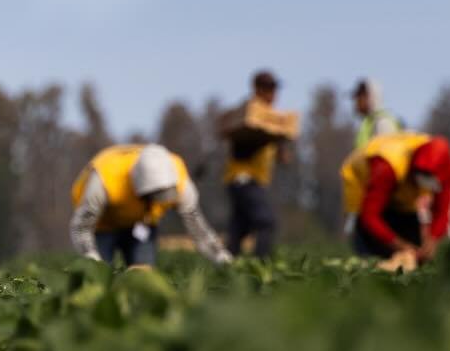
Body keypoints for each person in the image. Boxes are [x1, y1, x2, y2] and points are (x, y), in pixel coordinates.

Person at [70, 143, 231, 266]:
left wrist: (220, 255)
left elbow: (196, 225)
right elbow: (81, 227)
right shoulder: (105, 179)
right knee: (100, 275)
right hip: (103, 226)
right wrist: (90, 255)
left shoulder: (179, 180)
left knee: (144, 276)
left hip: (142, 224)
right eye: (153, 196)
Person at [342, 132, 450, 263]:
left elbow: (442, 211)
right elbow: (370, 216)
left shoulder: (444, 168)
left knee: (415, 251)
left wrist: (432, 241)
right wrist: (399, 245)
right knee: (371, 249)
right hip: (363, 179)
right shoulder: (386, 166)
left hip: (399, 183)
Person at [223, 69, 288, 260]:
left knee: (238, 231)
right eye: (269, 88)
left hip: (254, 181)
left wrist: (280, 144)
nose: (273, 93)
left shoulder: (271, 117)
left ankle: (224, 269)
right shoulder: (251, 112)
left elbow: (280, 155)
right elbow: (240, 147)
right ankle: (260, 267)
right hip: (244, 179)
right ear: (257, 89)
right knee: (266, 222)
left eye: (275, 88)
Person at [352, 79, 402, 150]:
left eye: (359, 98)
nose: (356, 103)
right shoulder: (369, 123)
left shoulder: (382, 122)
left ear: (370, 97)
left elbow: (385, 154)